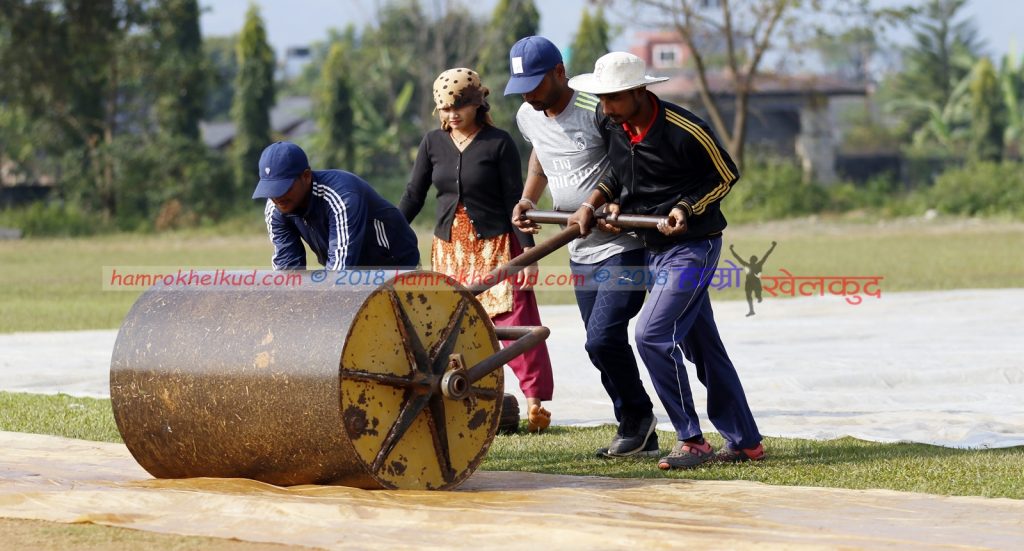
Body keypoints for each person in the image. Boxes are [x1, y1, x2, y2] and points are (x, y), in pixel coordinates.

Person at [567, 52, 764, 469]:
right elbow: (617, 174)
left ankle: (691, 440)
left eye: (614, 98)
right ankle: (746, 442)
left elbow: (725, 175)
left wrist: (686, 207)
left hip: (693, 248)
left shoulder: (685, 129)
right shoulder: (614, 125)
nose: (606, 108)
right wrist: (597, 203)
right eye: (602, 99)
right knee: (703, 347)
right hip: (652, 247)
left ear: (640, 91)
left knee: (651, 336)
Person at [504, 36, 659, 457]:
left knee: (602, 338)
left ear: (560, 72)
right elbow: (540, 158)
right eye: (522, 88)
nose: (529, 96)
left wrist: (605, 205)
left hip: (623, 244)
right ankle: (635, 428)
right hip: (580, 250)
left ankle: (642, 420)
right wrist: (528, 199)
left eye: (536, 85)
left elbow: (628, 166)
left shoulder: (597, 109)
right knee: (599, 343)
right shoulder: (527, 115)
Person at [399, 67, 554, 432]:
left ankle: (535, 403)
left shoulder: (498, 143)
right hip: (450, 250)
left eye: (459, 107)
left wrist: (527, 255)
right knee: (454, 326)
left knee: (516, 322)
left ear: (477, 104)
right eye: (445, 108)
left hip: (496, 247)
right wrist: (390, 231)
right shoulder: (432, 143)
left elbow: (514, 200)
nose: (452, 115)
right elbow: (414, 195)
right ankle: (465, 397)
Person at [254, 141, 420, 270]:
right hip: (350, 273)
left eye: (283, 187)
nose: (277, 197)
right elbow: (288, 270)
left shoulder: (342, 196)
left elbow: (338, 272)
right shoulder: (275, 208)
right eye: (270, 189)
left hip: (395, 265)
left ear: (306, 176)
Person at [730, 241, 777, 316]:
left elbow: (737, 258)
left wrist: (731, 249)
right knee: (751, 296)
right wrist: (773, 246)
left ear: (750, 260)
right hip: (754, 282)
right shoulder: (758, 264)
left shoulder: (748, 265)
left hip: (751, 283)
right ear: (756, 260)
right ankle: (753, 308)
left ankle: (754, 305)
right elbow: (767, 255)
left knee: (751, 296)